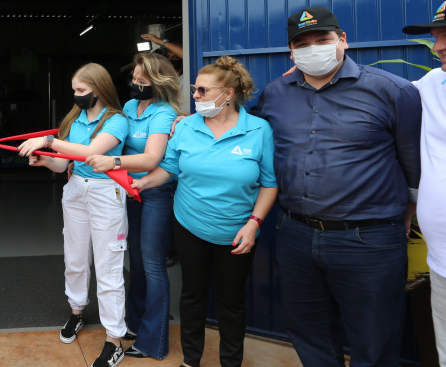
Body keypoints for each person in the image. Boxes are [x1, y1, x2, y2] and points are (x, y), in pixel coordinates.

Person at [250, 6, 421, 367]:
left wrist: (405, 216)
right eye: (302, 44)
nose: (313, 49)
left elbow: (415, 166)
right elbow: (247, 134)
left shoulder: (392, 91)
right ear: (291, 52)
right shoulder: (275, 94)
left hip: (369, 240)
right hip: (295, 235)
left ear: (342, 40)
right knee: (309, 334)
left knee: (375, 342)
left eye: (322, 39)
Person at [130, 56, 277, 367]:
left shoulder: (258, 130)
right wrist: (142, 183)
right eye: (194, 89)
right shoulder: (185, 126)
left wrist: (254, 223)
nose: (195, 96)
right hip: (189, 225)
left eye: (202, 91)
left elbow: (269, 183)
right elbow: (169, 168)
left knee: (231, 302)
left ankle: (230, 362)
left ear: (228, 94)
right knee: (192, 296)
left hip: (237, 232)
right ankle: (191, 361)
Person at [18, 63, 130, 367]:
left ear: (100, 89)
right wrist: (45, 160)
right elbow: (63, 163)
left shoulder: (116, 120)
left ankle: (114, 340)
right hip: (76, 189)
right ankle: (77, 311)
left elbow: (92, 153)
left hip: (106, 192)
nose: (77, 95)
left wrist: (49, 141)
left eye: (82, 90)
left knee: (108, 267)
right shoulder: (73, 119)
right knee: (75, 258)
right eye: (74, 90)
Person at [86, 53, 183, 359]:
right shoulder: (129, 107)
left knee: (153, 265)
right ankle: (135, 323)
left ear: (159, 82)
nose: (136, 84)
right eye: (134, 79)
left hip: (156, 193)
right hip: (130, 192)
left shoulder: (164, 113)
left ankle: (153, 341)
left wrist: (113, 162)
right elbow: (114, 139)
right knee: (137, 262)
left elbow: (152, 158)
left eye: (143, 80)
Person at [403, 0, 446, 365]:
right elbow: (377, 93)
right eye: (437, 37)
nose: (437, 47)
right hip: (444, 265)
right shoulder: (433, 84)